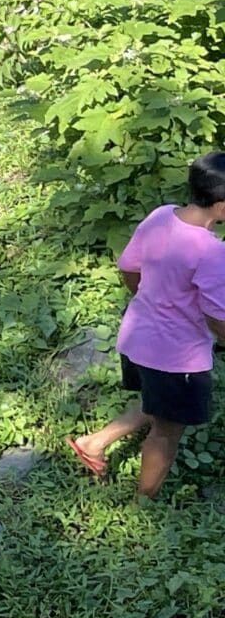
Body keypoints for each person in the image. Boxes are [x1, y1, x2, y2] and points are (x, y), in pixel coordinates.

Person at [68, 154, 225, 499]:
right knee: (168, 431)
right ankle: (144, 503)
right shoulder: (211, 252)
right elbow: (217, 316)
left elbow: (128, 266)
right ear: (221, 205)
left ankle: (93, 443)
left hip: (137, 336)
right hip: (178, 358)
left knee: (159, 403)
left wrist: (152, 300)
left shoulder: (160, 217)